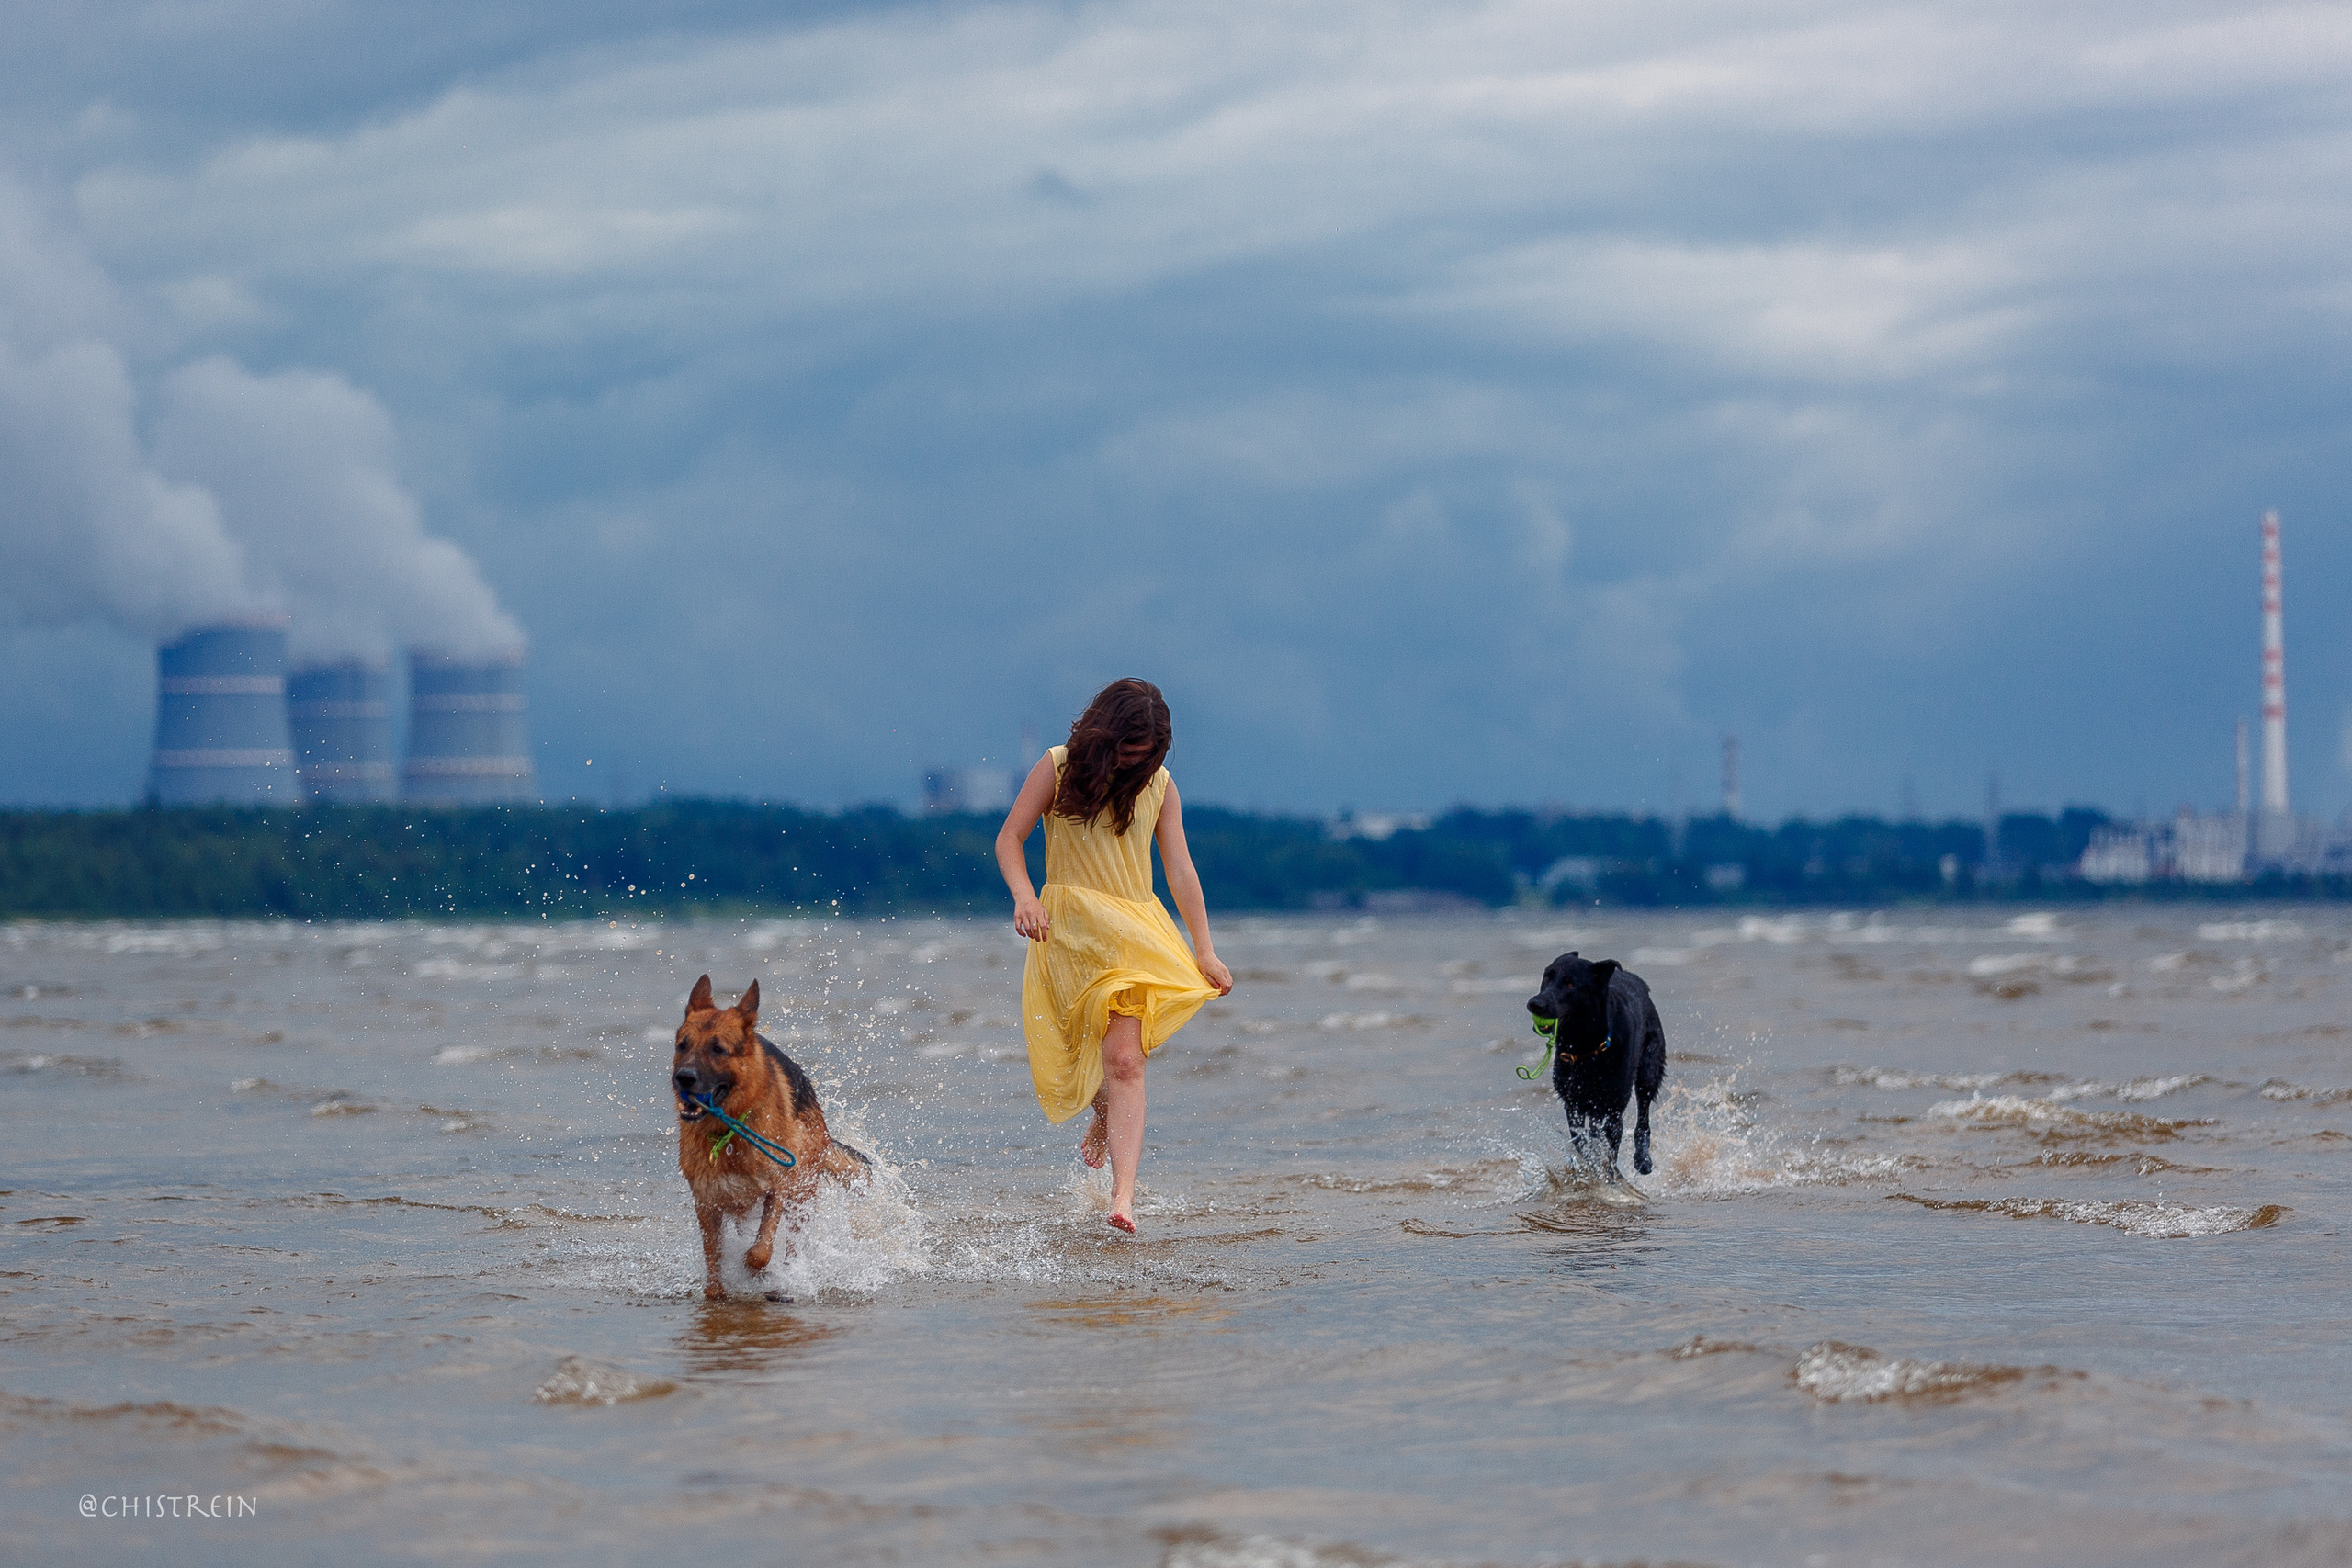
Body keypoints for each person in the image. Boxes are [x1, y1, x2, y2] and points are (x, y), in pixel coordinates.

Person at [994, 678, 1234, 1234]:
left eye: (1144, 756)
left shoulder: (1160, 786)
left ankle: (1121, 1197)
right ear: (1102, 736)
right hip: (1068, 936)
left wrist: (1205, 949)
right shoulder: (1056, 767)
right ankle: (1102, 1117)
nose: (1133, 765)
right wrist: (1025, 897)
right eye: (1126, 753)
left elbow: (1180, 868)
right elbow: (1010, 840)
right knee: (1087, 1055)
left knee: (1125, 1059)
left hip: (1132, 935)